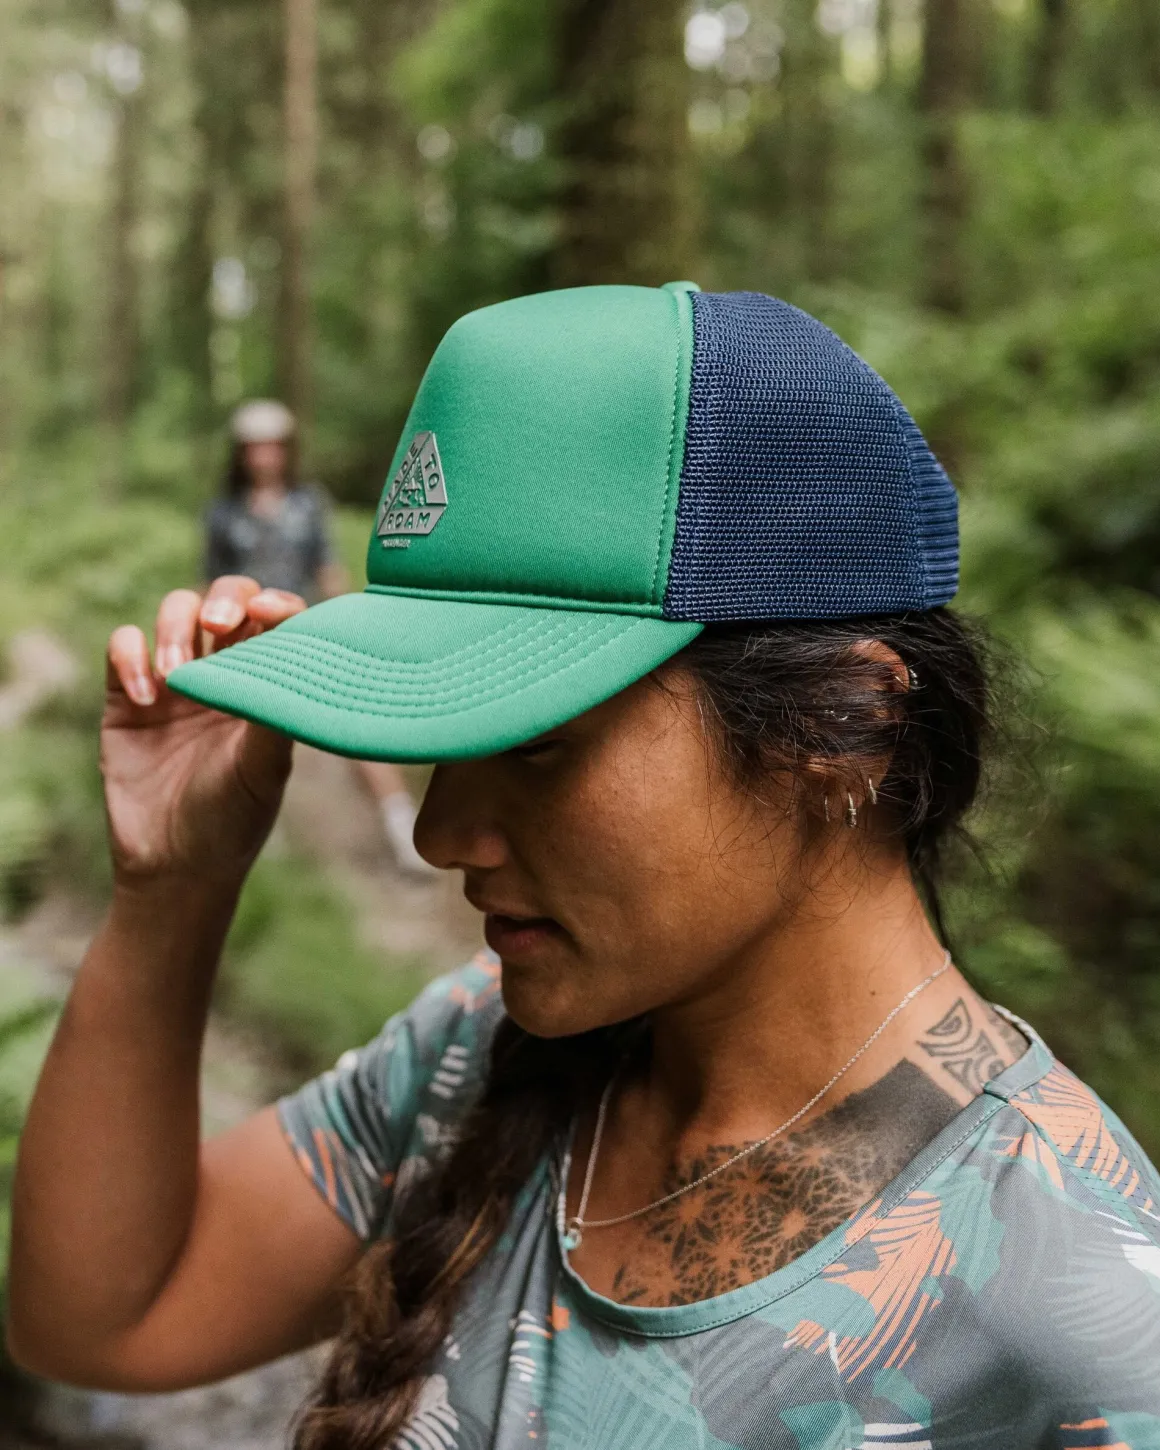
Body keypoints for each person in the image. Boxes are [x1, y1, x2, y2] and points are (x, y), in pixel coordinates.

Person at [9, 285, 1160, 1448]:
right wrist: (172, 888)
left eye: (536, 742)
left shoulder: (1082, 1320)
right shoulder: (475, 1052)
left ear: (846, 722)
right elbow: (103, 1323)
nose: (440, 833)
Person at [205, 397, 434, 875]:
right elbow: (211, 582)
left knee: (357, 725)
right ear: (241, 453)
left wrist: (351, 623)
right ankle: (258, 845)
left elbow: (327, 567)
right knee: (246, 742)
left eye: (273, 445)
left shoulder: (308, 504)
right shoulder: (224, 514)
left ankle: (401, 829)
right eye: (255, 447)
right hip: (249, 644)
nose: (265, 456)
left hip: (306, 631)